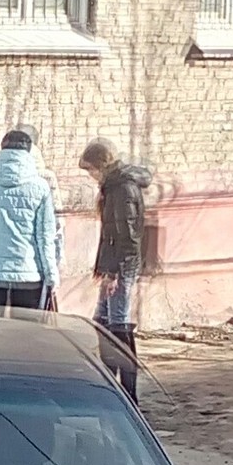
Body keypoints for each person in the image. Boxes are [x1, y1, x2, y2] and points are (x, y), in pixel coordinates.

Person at [80, 139, 153, 405]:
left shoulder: (122, 189)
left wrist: (113, 273)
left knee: (117, 323)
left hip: (121, 265)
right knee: (103, 320)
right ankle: (111, 382)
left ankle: (127, 390)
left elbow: (127, 235)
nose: (91, 176)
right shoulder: (114, 187)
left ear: (102, 165)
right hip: (115, 263)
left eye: (91, 170)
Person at [0, 128, 61, 311]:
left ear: (1, 149)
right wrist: (51, 275)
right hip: (28, 272)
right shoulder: (40, 187)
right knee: (24, 334)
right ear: (29, 151)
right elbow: (46, 237)